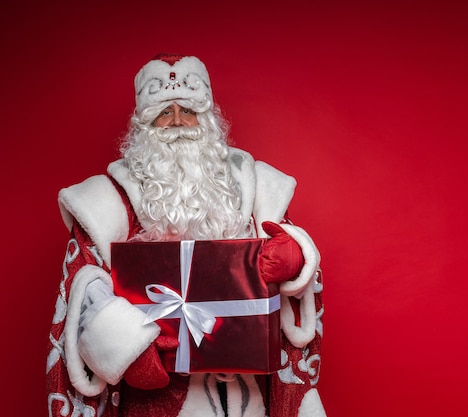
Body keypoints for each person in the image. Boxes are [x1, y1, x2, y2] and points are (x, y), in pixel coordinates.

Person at [46, 53, 326, 417]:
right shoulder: (109, 199)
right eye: (164, 112)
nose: (177, 122)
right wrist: (126, 347)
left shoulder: (252, 186)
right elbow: (82, 282)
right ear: (144, 124)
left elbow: (288, 248)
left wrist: (296, 259)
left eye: (188, 111)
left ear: (207, 119)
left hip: (243, 393)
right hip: (156, 397)